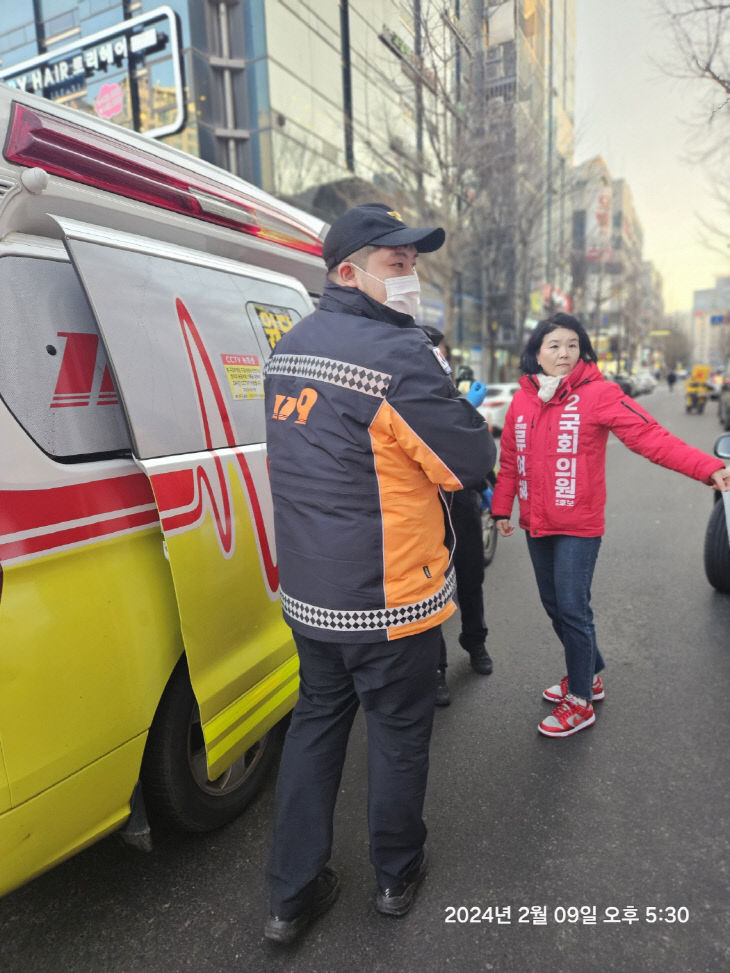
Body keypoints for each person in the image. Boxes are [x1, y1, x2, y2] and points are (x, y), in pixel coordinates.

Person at [262, 203, 496, 943]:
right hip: (387, 598)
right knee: (398, 735)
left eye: (413, 263)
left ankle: (290, 894)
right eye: (396, 264)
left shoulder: (288, 347)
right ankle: (397, 873)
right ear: (347, 272)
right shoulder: (396, 358)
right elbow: (471, 462)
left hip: (309, 593)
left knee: (314, 731)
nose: (410, 277)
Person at [491, 312, 730, 739]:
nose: (564, 353)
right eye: (553, 346)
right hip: (536, 522)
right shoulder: (523, 399)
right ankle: (591, 672)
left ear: (582, 348)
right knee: (553, 606)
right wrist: (500, 508)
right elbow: (510, 457)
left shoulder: (600, 394)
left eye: (571, 344)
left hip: (579, 525)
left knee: (572, 608)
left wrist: (708, 468)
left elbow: (651, 437)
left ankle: (580, 700)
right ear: (536, 354)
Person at [420, 326, 494, 708]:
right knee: (432, 589)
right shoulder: (406, 395)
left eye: (442, 354)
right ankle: (436, 669)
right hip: (423, 512)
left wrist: (484, 486)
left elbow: (474, 451)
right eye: (433, 352)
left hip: (460, 504)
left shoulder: (453, 397)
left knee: (470, 579)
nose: (439, 360)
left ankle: (476, 642)